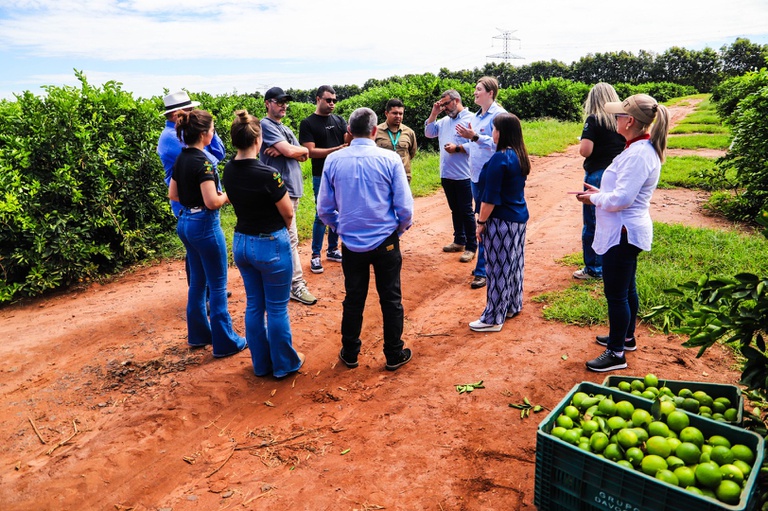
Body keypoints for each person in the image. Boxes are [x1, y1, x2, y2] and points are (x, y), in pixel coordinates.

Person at [576, 94, 670, 372]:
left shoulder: (639, 153)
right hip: (626, 230)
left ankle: (616, 353)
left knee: (616, 294)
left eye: (619, 115)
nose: (614, 118)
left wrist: (594, 199)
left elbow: (622, 200)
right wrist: (601, 193)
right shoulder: (637, 148)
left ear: (629, 121)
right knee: (627, 288)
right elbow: (620, 192)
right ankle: (625, 338)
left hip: (623, 232)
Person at [317, 107, 414, 371]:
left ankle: (350, 353)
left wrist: (342, 227)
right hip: (386, 241)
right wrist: (397, 230)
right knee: (391, 298)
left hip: (351, 245)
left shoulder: (334, 161)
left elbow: (324, 209)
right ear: (374, 130)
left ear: (349, 132)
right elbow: (405, 209)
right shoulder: (390, 159)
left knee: (353, 298)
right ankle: (394, 353)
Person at [222, 110, 305, 378]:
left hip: (242, 243)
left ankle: (261, 364)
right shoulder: (268, 174)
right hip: (270, 243)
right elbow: (288, 213)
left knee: (255, 305)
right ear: (258, 141)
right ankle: (284, 364)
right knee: (278, 307)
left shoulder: (228, 170)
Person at [168, 109, 247, 357]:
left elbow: (173, 194)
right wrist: (229, 195)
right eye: (212, 129)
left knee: (198, 283)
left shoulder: (182, 157)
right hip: (204, 224)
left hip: (186, 223)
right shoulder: (203, 161)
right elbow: (212, 201)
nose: (214, 133)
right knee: (218, 284)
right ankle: (226, 342)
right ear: (204, 134)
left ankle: (199, 335)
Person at [469, 113, 531, 332]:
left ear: (502, 132)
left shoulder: (500, 158)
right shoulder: (519, 155)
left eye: (494, 129)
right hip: (518, 218)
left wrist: (481, 221)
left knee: (496, 269)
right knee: (513, 264)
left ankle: (493, 317)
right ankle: (512, 305)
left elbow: (490, 197)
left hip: (501, 220)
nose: (492, 133)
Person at [260, 86, 317, 306]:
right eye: (278, 101)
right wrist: (292, 151)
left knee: (282, 238)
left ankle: (279, 284)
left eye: (285, 102)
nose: (283, 105)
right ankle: (296, 285)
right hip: (280, 191)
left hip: (290, 191)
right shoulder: (266, 125)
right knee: (288, 239)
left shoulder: (283, 128)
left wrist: (293, 150)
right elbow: (296, 153)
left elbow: (304, 154)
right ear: (267, 103)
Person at [456, 77, 507, 289]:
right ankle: (486, 264)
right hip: (475, 175)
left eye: (479, 90)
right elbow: (474, 145)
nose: (475, 93)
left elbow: (502, 145)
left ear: (491, 93)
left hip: (491, 175)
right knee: (482, 221)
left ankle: (483, 270)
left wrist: (475, 137)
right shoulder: (476, 117)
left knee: (485, 222)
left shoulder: (500, 116)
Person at [573, 83, 625, 280]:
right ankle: (612, 263)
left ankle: (594, 268)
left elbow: (586, 150)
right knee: (613, 220)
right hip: (618, 174)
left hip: (597, 174)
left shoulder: (593, 120)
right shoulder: (621, 120)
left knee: (592, 223)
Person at [299, 85, 349, 275]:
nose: (332, 104)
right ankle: (315, 255)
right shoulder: (308, 123)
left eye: (334, 100)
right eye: (328, 100)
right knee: (321, 215)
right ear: (318, 99)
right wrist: (336, 150)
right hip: (321, 175)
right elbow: (310, 152)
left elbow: (348, 141)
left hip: (341, 173)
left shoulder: (339, 120)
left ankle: (332, 249)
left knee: (338, 211)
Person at [424, 90, 477, 265]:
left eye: (446, 104)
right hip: (446, 173)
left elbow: (478, 144)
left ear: (456, 101)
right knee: (455, 209)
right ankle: (459, 241)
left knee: (467, 211)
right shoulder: (444, 121)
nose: (445, 108)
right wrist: (434, 113)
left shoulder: (471, 119)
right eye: (443, 105)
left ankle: (471, 246)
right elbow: (429, 132)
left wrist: (458, 148)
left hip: (464, 174)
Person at [157, 91, 226, 218]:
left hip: (203, 204)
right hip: (192, 209)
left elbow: (220, 154)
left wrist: (210, 128)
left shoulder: (189, 133)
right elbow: (211, 162)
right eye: (189, 111)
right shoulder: (171, 137)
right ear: (175, 114)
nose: (193, 115)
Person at [375, 98, 418, 183]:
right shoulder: (375, 132)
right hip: (382, 177)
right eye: (395, 113)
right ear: (386, 113)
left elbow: (411, 153)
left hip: (403, 177)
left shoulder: (409, 132)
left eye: (401, 114)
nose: (398, 116)